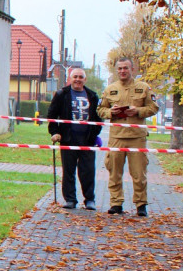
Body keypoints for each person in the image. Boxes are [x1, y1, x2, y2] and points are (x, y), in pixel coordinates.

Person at [97, 57, 158, 216]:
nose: (122, 71)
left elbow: (153, 107)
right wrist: (111, 112)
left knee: (139, 174)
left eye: (126, 68)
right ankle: (116, 203)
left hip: (137, 137)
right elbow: (101, 110)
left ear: (132, 70)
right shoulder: (110, 89)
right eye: (120, 68)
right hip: (117, 137)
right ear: (116, 70)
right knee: (114, 172)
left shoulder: (143, 88)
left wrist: (137, 111)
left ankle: (141, 205)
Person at [48, 68, 102, 210]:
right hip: (68, 139)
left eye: (80, 77)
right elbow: (52, 114)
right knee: (68, 171)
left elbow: (98, 117)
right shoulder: (61, 94)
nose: (78, 79)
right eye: (75, 77)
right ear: (70, 79)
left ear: (85, 80)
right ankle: (70, 199)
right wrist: (54, 132)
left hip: (87, 140)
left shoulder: (92, 96)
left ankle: (89, 200)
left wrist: (95, 134)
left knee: (88, 171)